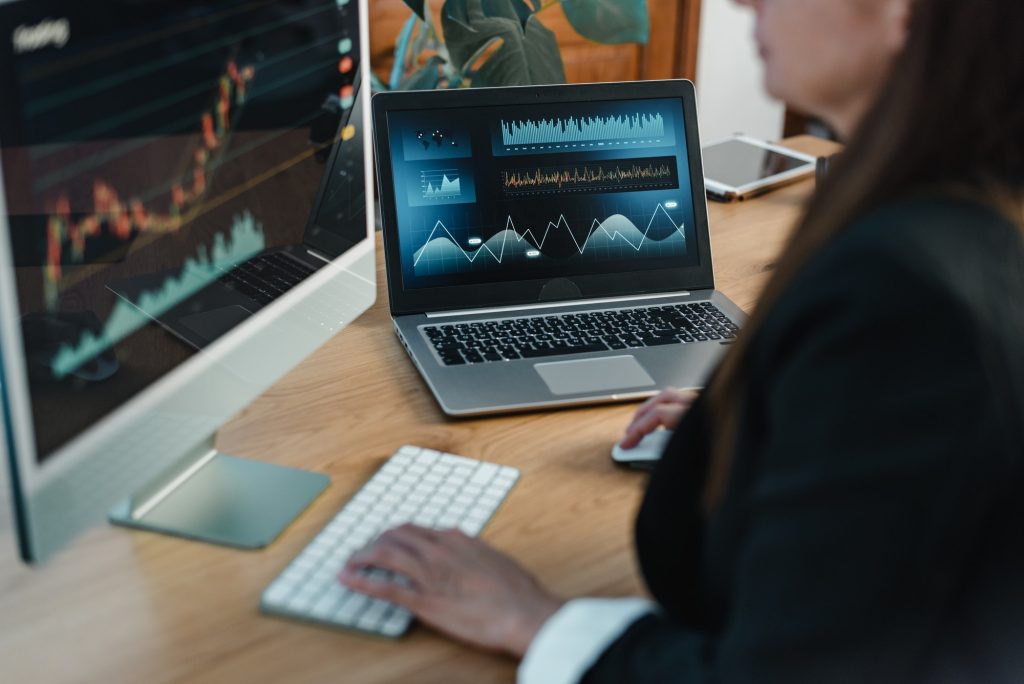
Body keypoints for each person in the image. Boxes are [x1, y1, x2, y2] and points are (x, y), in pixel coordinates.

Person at [340, 0, 1024, 680]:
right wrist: (768, 415)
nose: (743, 1)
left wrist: (539, 623)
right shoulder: (954, 210)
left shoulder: (905, 297)